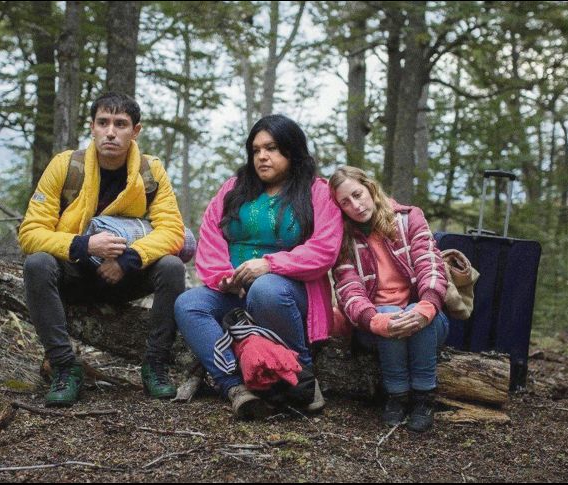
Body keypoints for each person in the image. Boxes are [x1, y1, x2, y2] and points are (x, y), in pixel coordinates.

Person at [18, 92, 186, 407]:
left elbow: (172, 230)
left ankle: (156, 366)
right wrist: (83, 245)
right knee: (38, 263)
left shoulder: (150, 172)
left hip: (126, 276)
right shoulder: (66, 166)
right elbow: (30, 233)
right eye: (103, 122)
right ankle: (64, 367)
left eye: (120, 124)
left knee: (172, 267)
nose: (111, 131)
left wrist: (129, 259)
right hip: (76, 273)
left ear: (136, 131)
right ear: (92, 127)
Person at [174, 114, 343, 419]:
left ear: (293, 151)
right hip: (234, 290)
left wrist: (269, 265)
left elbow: (324, 249)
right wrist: (223, 277)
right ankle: (237, 387)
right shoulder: (233, 189)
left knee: (265, 289)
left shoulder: (318, 192)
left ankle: (302, 376)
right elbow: (211, 234)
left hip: (288, 293)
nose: (262, 156)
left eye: (273, 148)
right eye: (256, 149)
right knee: (189, 303)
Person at [329, 166, 448, 432]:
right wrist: (377, 320)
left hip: (427, 319)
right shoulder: (342, 239)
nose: (356, 205)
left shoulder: (409, 218)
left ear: (370, 188)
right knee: (387, 309)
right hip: (374, 325)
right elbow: (348, 290)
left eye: (358, 194)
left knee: (416, 309)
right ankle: (397, 396)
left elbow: (431, 264)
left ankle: (423, 397)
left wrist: (426, 307)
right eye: (345, 202)